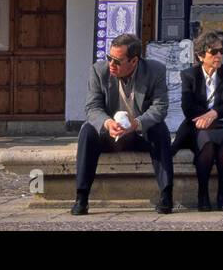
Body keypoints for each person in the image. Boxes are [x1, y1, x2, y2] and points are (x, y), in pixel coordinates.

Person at [72, 33, 173, 215]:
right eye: (109, 58)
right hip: (110, 134)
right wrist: (107, 123)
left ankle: (166, 194)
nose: (111, 64)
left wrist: (136, 123)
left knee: (160, 129)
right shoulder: (98, 71)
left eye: (117, 61)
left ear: (134, 61)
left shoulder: (155, 70)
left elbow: (160, 107)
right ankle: (82, 197)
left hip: (138, 133)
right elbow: (92, 107)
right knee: (87, 130)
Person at [172, 31, 223, 211]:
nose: (219, 55)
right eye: (214, 52)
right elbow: (188, 108)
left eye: (221, 51)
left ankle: (222, 194)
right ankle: (203, 193)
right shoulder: (189, 76)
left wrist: (214, 113)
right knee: (207, 144)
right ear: (200, 56)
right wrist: (215, 115)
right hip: (198, 127)